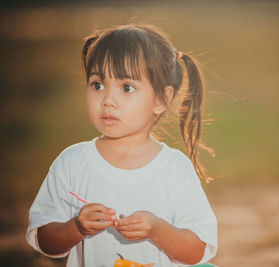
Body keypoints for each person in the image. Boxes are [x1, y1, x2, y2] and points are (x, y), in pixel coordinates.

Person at [26, 24, 218, 267]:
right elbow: (44, 240)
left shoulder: (174, 168)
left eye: (127, 87)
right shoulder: (72, 162)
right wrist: (76, 227)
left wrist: (158, 230)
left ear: (161, 99)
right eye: (97, 84)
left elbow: (197, 251)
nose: (107, 100)